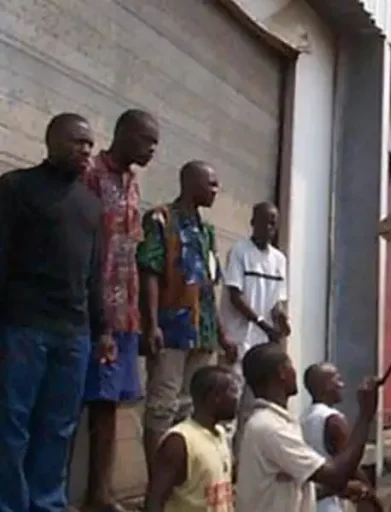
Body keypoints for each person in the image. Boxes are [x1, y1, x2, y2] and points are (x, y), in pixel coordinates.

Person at [0, 112, 113, 512]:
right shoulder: (16, 188)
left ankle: (47, 503)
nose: (86, 149)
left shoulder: (91, 206)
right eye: (77, 141)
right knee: (12, 423)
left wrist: (103, 331)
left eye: (89, 143)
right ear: (51, 141)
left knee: (59, 427)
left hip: (73, 335)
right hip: (23, 327)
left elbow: (96, 274)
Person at [78, 108, 159, 512]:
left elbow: (134, 250)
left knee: (109, 404)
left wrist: (143, 317)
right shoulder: (90, 174)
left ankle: (100, 493)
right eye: (147, 141)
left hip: (124, 313)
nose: (152, 150)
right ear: (124, 134)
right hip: (92, 309)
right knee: (74, 404)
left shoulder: (132, 183)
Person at [136, 160, 239, 474]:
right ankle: (158, 482)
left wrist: (222, 335)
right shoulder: (161, 219)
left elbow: (207, 287)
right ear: (190, 183)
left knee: (190, 407)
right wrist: (151, 324)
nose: (215, 191)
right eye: (211, 184)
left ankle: (183, 481)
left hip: (203, 332)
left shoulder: (206, 231)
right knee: (161, 406)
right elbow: (150, 273)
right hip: (171, 328)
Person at [235, 343, 378, 511]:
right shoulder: (270, 427)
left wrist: (338, 489)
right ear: (282, 372)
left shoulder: (282, 422)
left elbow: (296, 485)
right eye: (291, 367)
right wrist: (365, 415)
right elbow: (336, 474)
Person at [220, 201, 290, 455]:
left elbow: (277, 302)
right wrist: (262, 323)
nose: (270, 227)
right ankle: (225, 468)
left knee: (255, 411)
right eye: (265, 221)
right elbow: (236, 296)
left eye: (274, 223)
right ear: (253, 222)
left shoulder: (279, 259)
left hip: (263, 349)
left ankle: (244, 467)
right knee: (230, 407)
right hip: (239, 341)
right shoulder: (239, 251)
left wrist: (281, 319)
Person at [143, 365, 239, 512]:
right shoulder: (179, 441)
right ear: (216, 397)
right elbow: (154, 501)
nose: (236, 398)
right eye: (232, 392)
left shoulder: (220, 434)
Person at [300, 363, 375, 512]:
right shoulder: (333, 420)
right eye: (338, 379)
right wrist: (372, 497)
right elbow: (351, 464)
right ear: (327, 385)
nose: (342, 385)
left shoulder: (304, 417)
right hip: (329, 505)